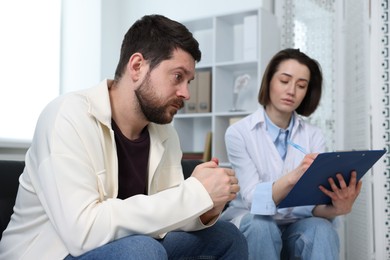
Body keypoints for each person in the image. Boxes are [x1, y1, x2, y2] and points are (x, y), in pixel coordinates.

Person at [0, 14, 248, 259]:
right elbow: (82, 233)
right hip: (54, 253)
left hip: (128, 247)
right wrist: (194, 193)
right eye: (177, 77)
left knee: (227, 237)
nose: (186, 93)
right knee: (142, 250)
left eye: (189, 81)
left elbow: (168, 214)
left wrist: (205, 207)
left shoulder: (165, 133)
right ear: (137, 66)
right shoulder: (66, 116)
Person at [220, 48, 362, 260]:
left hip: (296, 226)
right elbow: (253, 200)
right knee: (260, 224)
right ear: (269, 81)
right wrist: (293, 178)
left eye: (301, 85)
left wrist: (337, 208)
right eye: (284, 81)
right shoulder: (238, 133)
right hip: (253, 224)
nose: (292, 91)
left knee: (321, 229)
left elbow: (314, 207)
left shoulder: (314, 135)